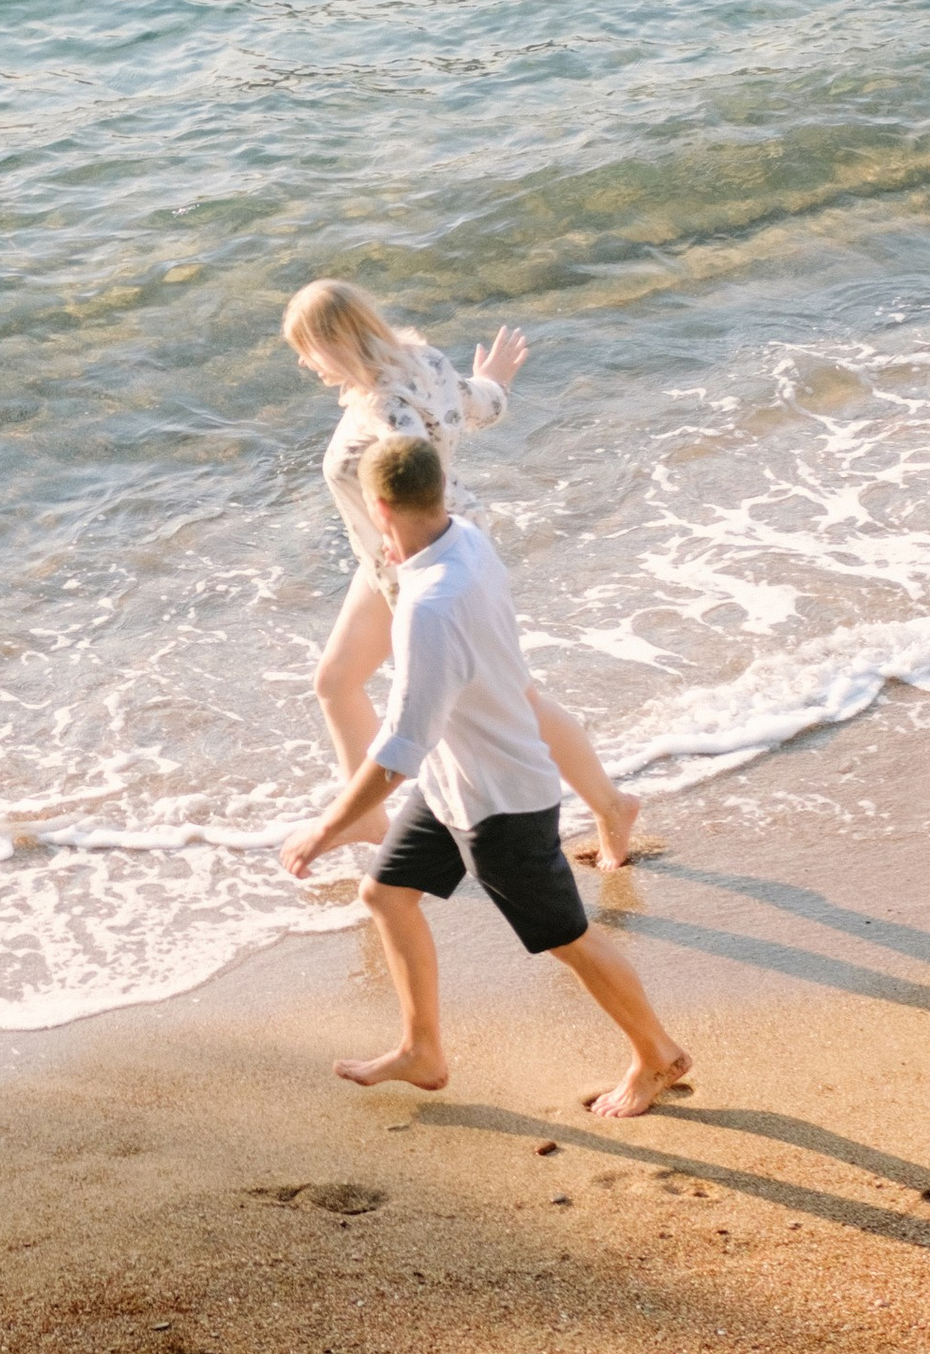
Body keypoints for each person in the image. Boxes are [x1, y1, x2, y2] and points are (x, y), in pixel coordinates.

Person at [280, 431, 689, 1118]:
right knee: (386, 894)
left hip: (501, 801)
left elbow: (399, 751)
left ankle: (659, 1054)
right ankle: (422, 1050)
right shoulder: (465, 539)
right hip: (452, 786)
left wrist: (325, 830)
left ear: (378, 510)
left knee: (568, 938)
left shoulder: (429, 608)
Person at [281, 276, 641, 870]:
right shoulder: (424, 360)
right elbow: (481, 407)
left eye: (306, 348)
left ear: (334, 341)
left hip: (425, 558)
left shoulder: (384, 405)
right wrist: (494, 379)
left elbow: (417, 472)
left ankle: (611, 805)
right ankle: (367, 820)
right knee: (336, 681)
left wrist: (419, 552)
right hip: (394, 559)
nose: (302, 362)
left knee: (518, 697)